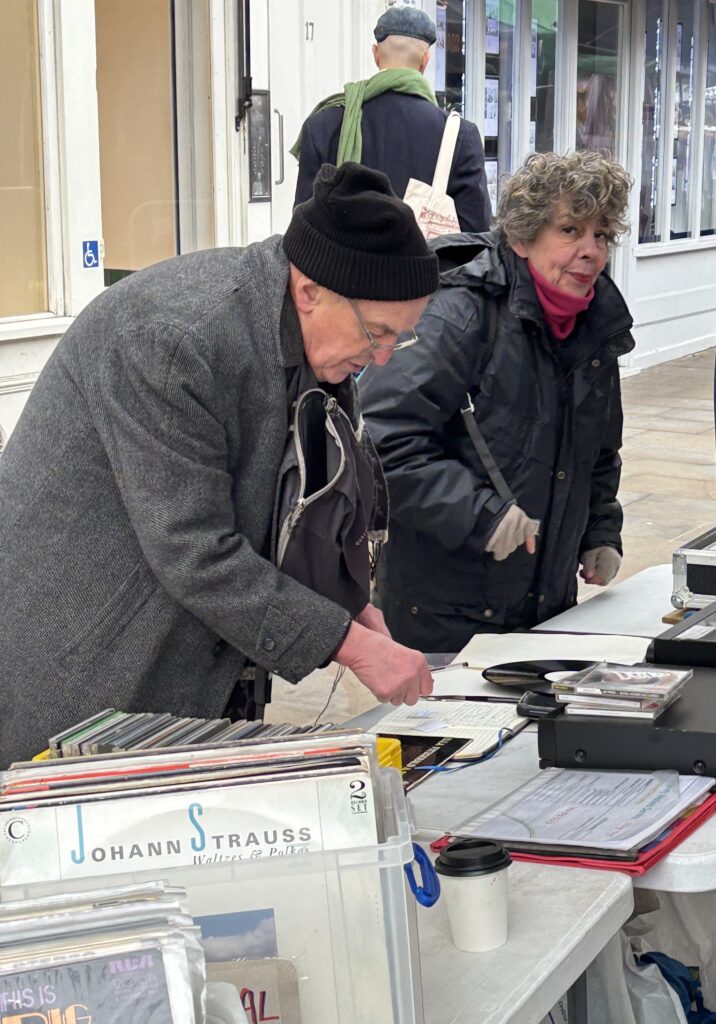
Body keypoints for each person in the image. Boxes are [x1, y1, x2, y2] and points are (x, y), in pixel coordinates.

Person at [0, 163, 439, 764]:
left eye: (400, 338)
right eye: (378, 333)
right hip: (88, 653)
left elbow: (287, 503)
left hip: (184, 656)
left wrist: (350, 607)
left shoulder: (313, 333)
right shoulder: (172, 338)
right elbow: (196, 551)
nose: (384, 358)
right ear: (310, 290)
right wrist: (348, 645)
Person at [359, 151, 634, 653]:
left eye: (601, 234)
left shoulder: (596, 323)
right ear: (524, 237)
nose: (591, 250)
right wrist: (478, 513)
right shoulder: (460, 311)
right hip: (445, 620)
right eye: (570, 230)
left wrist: (600, 529)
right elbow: (378, 442)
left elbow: (598, 452)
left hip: (544, 608)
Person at [292, 7, 492, 233]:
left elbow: (302, 233)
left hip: (339, 268)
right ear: (425, 61)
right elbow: (476, 235)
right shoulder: (459, 136)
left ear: (376, 54)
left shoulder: (322, 125)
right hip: (426, 268)